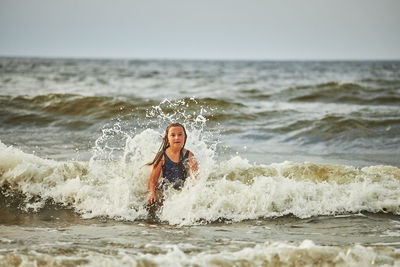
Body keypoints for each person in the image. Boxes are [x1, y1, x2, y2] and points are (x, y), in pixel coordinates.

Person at [147, 122, 198, 205]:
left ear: (185, 137)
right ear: (167, 138)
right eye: (173, 135)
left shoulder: (189, 156)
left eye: (180, 134)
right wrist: (152, 194)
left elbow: (195, 180)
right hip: (166, 191)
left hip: (182, 191)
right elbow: (152, 181)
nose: (177, 138)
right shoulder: (162, 156)